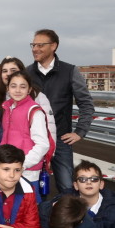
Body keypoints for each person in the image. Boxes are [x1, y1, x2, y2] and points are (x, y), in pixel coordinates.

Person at [27, 29, 94, 194]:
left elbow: (86, 103)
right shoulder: (26, 73)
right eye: (33, 45)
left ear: (54, 46)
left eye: (40, 45)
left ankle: (71, 220)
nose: (35, 48)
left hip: (61, 139)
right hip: (33, 139)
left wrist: (80, 131)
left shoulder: (69, 71)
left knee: (67, 187)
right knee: (31, 187)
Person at [1, 71, 51, 189]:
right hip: (9, 168)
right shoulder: (7, 107)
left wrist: (22, 164)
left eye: (22, 86)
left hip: (28, 171)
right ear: (7, 88)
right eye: (13, 86)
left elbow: (43, 144)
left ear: (29, 90)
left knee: (29, 205)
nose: (18, 90)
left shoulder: (34, 111)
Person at [0, 56, 57, 143]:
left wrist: (48, 153)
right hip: (6, 151)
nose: (8, 74)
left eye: (13, 70)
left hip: (31, 151)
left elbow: (49, 126)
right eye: (4, 71)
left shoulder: (38, 96)